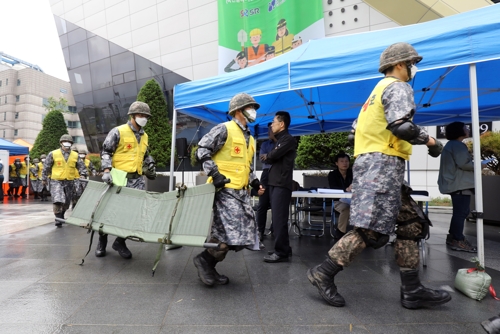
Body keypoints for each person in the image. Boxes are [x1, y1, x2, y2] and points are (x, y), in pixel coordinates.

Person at [306, 42, 450, 309]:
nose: (412, 69)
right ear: (399, 65)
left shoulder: (374, 93)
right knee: (370, 229)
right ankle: (323, 273)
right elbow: (401, 126)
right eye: (410, 64)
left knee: (411, 223)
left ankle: (412, 289)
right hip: (381, 167)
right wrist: (431, 142)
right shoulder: (397, 86)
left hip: (379, 166)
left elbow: (354, 131)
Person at [193, 92, 262, 286]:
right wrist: (214, 174)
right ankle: (205, 261)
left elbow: (245, 165)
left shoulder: (250, 137)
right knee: (234, 233)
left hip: (240, 192)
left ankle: (207, 263)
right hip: (224, 190)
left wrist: (254, 181)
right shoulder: (224, 129)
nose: (254, 111)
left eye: (254, 108)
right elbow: (202, 150)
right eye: (250, 108)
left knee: (229, 234)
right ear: (239, 111)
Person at [96, 101, 156, 259]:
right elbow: (106, 151)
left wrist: (150, 164)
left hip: (137, 179)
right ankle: (102, 241)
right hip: (118, 178)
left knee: (134, 214)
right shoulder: (118, 131)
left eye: (146, 116)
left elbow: (145, 153)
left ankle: (120, 241)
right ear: (132, 115)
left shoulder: (145, 136)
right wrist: (106, 170)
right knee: (110, 212)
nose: (144, 118)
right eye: (141, 115)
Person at [437, 122, 478, 252]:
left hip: (454, 183)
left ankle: (453, 237)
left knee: (460, 212)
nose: (467, 129)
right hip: (460, 183)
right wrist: (480, 164)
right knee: (461, 213)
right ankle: (458, 240)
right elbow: (464, 164)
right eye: (465, 128)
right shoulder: (458, 145)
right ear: (459, 130)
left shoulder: (450, 145)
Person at [262, 111, 297, 263]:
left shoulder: (288, 139)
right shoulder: (280, 140)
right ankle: (284, 248)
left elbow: (271, 156)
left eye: (273, 122)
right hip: (274, 183)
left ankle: (281, 252)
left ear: (282, 124)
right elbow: (270, 156)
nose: (271, 125)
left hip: (282, 184)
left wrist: (269, 155)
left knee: (278, 219)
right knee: (278, 219)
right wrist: (269, 155)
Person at [42, 134, 87, 227]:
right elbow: (46, 167)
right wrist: (44, 178)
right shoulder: (53, 153)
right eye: (65, 142)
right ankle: (58, 218)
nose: (67, 143)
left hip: (69, 181)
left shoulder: (75, 155)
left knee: (67, 201)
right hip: (56, 180)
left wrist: (82, 175)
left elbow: (81, 166)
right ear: (61, 143)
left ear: (71, 144)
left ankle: (61, 214)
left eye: (69, 142)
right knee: (58, 199)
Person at [256, 123, 276, 239]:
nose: (269, 133)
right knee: (262, 204)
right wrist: (273, 157)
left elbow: (269, 158)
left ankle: (275, 229)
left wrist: (269, 156)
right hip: (266, 175)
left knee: (276, 205)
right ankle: (260, 230)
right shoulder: (265, 144)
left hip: (278, 174)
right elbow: (262, 159)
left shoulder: (282, 144)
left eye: (271, 130)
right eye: (268, 130)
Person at [327, 152, 353, 241]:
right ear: (336, 163)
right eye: (342, 161)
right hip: (338, 200)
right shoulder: (332, 174)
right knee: (346, 208)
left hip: (353, 200)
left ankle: (362, 232)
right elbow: (333, 188)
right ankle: (340, 232)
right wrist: (346, 189)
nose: (344, 163)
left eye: (346, 161)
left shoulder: (353, 173)